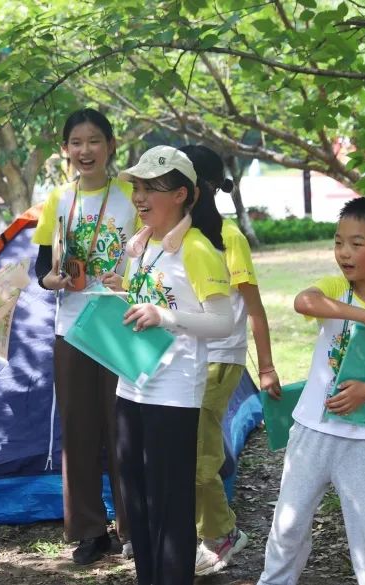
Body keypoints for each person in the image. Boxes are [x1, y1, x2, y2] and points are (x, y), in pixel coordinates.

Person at [256, 197, 365, 585]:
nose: (344, 253)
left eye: (356, 243)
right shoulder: (335, 289)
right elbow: (304, 301)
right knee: (288, 526)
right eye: (338, 242)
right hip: (312, 431)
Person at [113, 145, 234, 585]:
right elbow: (148, 303)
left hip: (174, 394)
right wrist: (120, 295)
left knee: (170, 503)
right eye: (137, 187)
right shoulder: (146, 246)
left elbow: (222, 320)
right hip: (131, 385)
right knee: (138, 500)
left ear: (182, 194)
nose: (140, 197)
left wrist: (166, 316)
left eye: (152, 188)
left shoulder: (198, 249)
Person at [31, 108, 135, 564]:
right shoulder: (57, 200)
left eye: (94, 140)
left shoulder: (133, 196)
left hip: (122, 324)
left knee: (125, 427)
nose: (85, 150)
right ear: (65, 150)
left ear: (111, 145)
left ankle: (133, 526)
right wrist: (51, 281)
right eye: (76, 142)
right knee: (79, 429)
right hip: (71, 326)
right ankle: (89, 530)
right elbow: (41, 269)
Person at [179, 145, 282, 576]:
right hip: (187, 358)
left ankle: (221, 534)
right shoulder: (179, 235)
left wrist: (266, 366)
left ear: (195, 189)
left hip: (221, 361)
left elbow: (254, 310)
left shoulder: (228, 237)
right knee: (194, 448)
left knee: (199, 459)